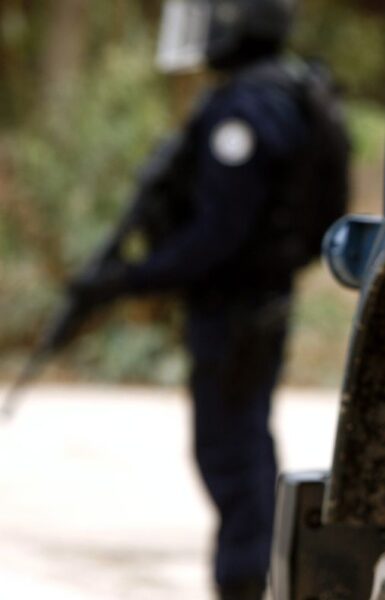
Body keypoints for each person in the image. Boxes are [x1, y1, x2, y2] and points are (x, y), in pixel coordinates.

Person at [69, 1, 349, 598]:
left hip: (236, 308)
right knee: (243, 444)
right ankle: (260, 574)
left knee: (231, 452)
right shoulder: (283, 90)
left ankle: (246, 582)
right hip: (255, 302)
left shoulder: (247, 108)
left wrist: (132, 278)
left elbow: (218, 235)